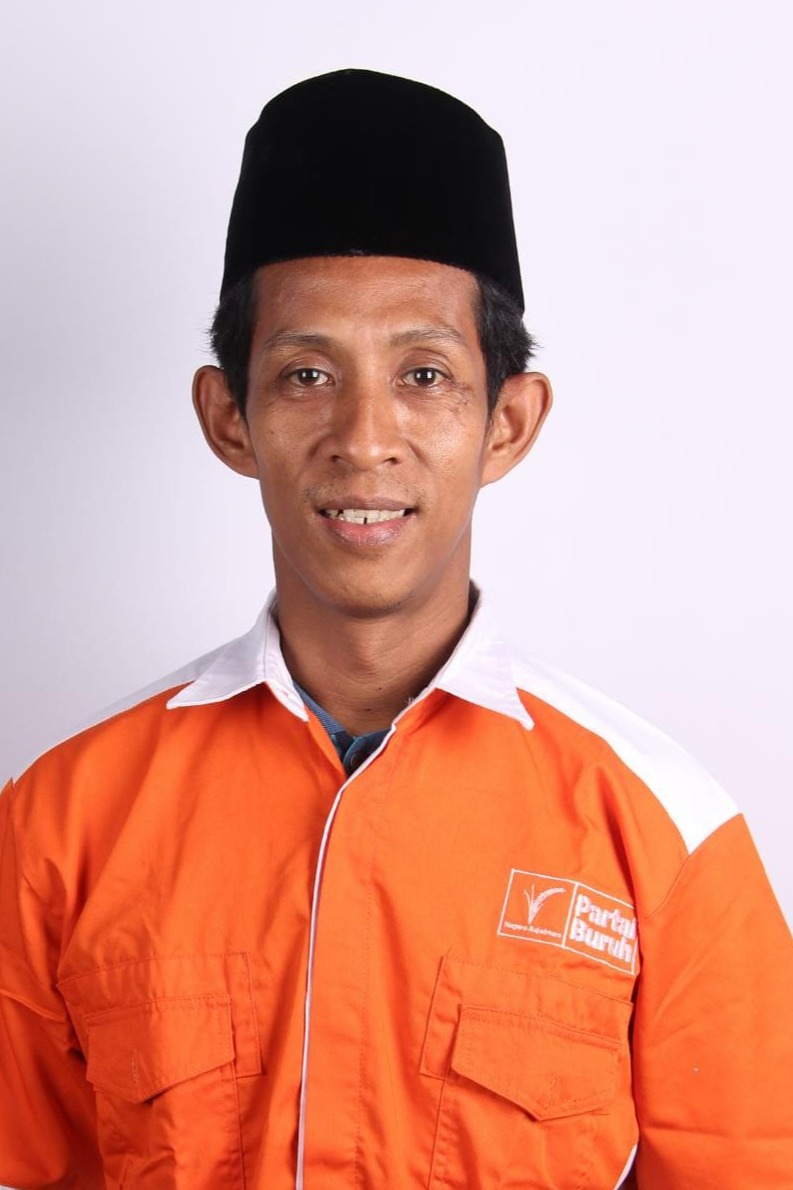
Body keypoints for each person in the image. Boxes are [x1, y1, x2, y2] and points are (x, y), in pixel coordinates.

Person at [0, 68, 791, 1190]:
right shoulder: (58, 825)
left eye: (424, 374)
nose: (364, 437)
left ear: (506, 422)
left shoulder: (665, 833)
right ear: (229, 417)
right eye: (305, 374)